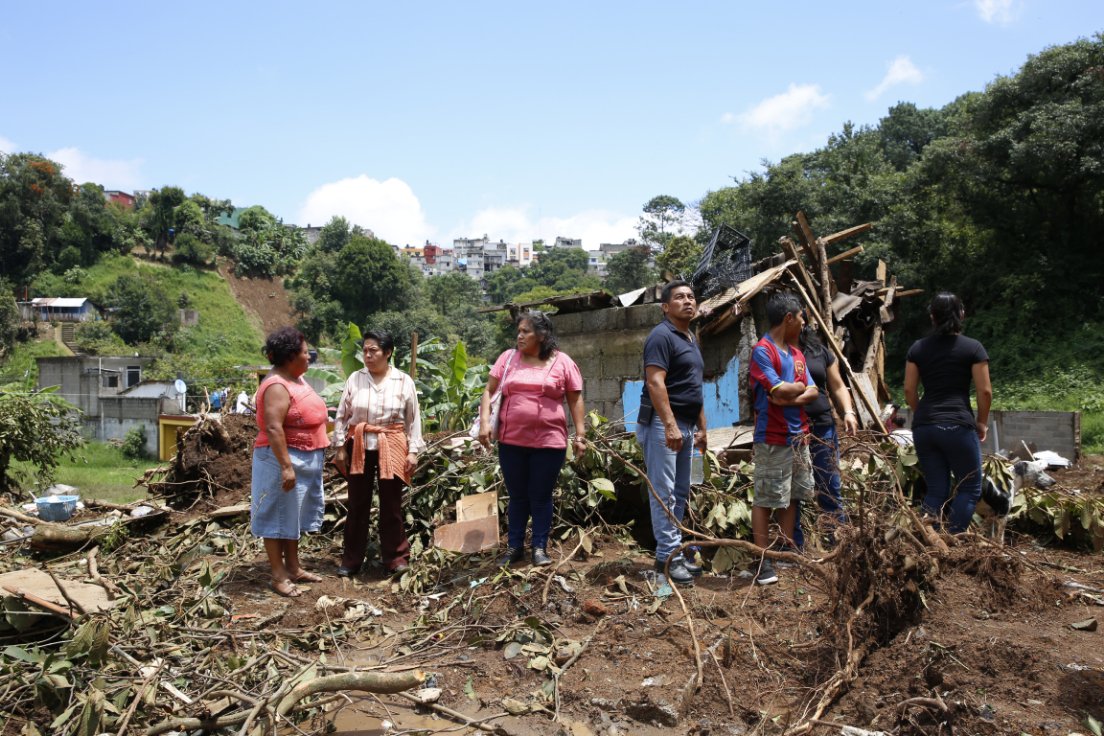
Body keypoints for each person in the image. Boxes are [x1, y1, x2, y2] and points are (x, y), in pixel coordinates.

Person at [479, 311, 586, 567]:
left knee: (540, 495)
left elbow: (575, 398)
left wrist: (580, 435)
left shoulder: (562, 362)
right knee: (517, 496)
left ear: (542, 334)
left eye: (526, 331)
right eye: (519, 331)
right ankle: (514, 547)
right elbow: (489, 390)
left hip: (549, 443)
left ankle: (539, 547)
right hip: (510, 441)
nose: (520, 335)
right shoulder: (508, 358)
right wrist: (484, 423)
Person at [333, 330, 425, 577]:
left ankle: (396, 559)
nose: (367, 355)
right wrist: (340, 447)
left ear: (388, 353)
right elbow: (341, 415)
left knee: (391, 505)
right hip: (359, 444)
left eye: (373, 351)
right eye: (365, 350)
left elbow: (413, 420)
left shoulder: (404, 381)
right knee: (357, 504)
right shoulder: (355, 378)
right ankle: (351, 560)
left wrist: (413, 452)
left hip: (393, 443)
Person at [636, 280, 707, 587]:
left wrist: (702, 426)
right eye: (679, 297)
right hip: (664, 424)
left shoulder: (690, 338)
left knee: (679, 492)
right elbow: (655, 383)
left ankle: (671, 552)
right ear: (665, 307)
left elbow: (694, 387)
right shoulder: (661, 336)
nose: (687, 301)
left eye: (691, 297)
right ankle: (668, 555)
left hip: (686, 424)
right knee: (663, 491)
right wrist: (669, 424)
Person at [250, 327, 329, 597]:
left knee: (292, 516)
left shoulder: (296, 378)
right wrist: (286, 466)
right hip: (280, 461)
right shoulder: (275, 385)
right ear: (290, 356)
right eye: (306, 352)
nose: (309, 357)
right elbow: (273, 427)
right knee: (276, 516)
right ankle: (278, 575)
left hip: (304, 458)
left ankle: (294, 567)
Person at [904, 292, 991, 534]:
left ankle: (928, 541)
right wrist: (981, 423)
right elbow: (985, 392)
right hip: (957, 426)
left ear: (933, 317)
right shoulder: (973, 348)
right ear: (961, 314)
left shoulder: (918, 348)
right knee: (970, 487)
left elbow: (910, 390)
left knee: (937, 489)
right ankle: (952, 543)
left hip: (925, 427)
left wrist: (922, 414)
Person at [748, 292, 818, 585]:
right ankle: (763, 561)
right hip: (773, 437)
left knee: (793, 498)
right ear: (789, 318)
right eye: (801, 317)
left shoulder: (798, 355)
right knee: (766, 498)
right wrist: (791, 392)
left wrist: (793, 393)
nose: (803, 324)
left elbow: (811, 391)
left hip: (798, 437)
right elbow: (777, 390)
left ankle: (785, 553)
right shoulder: (762, 351)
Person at [791, 320, 858, 548]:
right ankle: (794, 542)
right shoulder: (775, 350)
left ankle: (836, 539)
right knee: (794, 488)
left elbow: (838, 385)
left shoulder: (820, 351)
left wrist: (848, 412)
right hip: (792, 429)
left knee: (830, 484)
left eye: (799, 317)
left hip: (822, 426)